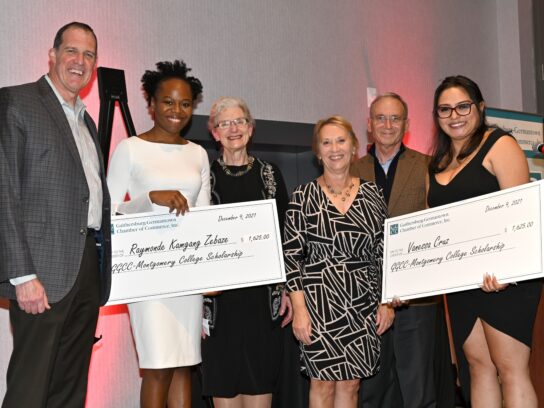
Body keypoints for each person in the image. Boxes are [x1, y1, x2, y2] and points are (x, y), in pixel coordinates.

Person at [0, 22, 111, 408]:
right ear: (52, 54)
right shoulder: (16, 101)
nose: (79, 62)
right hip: (40, 272)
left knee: (70, 388)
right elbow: (4, 190)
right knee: (30, 390)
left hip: (87, 266)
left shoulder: (87, 121)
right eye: (71, 51)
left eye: (89, 55)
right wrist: (23, 274)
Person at [427, 75, 541, 407]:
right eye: (445, 109)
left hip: (505, 279)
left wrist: (508, 275)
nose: (454, 115)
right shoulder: (437, 164)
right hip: (464, 282)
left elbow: (521, 216)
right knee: (478, 369)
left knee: (511, 370)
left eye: (463, 106)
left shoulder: (499, 144)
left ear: (480, 107)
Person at [107, 60, 209, 408]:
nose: (176, 110)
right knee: (157, 367)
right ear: (151, 104)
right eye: (167, 101)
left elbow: (206, 218)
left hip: (188, 273)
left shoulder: (197, 154)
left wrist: (213, 271)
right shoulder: (130, 149)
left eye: (184, 103)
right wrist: (150, 198)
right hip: (148, 276)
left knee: (183, 366)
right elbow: (107, 211)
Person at [284, 115, 391, 407]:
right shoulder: (302, 197)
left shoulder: (372, 195)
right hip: (319, 305)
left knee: (351, 384)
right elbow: (291, 258)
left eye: (341, 140)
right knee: (321, 384)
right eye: (326, 142)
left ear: (354, 146)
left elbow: (385, 253)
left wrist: (387, 302)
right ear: (318, 152)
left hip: (363, 302)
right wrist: (299, 310)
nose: (334, 148)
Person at [352, 93, 451, 408]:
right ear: (369, 125)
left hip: (416, 300)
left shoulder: (428, 166)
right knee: (370, 392)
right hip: (365, 299)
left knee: (417, 390)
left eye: (395, 118)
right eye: (380, 118)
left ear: (407, 125)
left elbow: (441, 225)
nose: (387, 124)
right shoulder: (350, 171)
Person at [200, 96, 293, 408]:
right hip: (218, 306)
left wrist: (290, 290)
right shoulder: (201, 179)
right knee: (224, 388)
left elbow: (287, 237)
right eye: (224, 123)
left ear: (251, 129)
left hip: (261, 303)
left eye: (239, 121)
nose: (233, 128)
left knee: (259, 387)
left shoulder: (270, 175)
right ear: (214, 132)